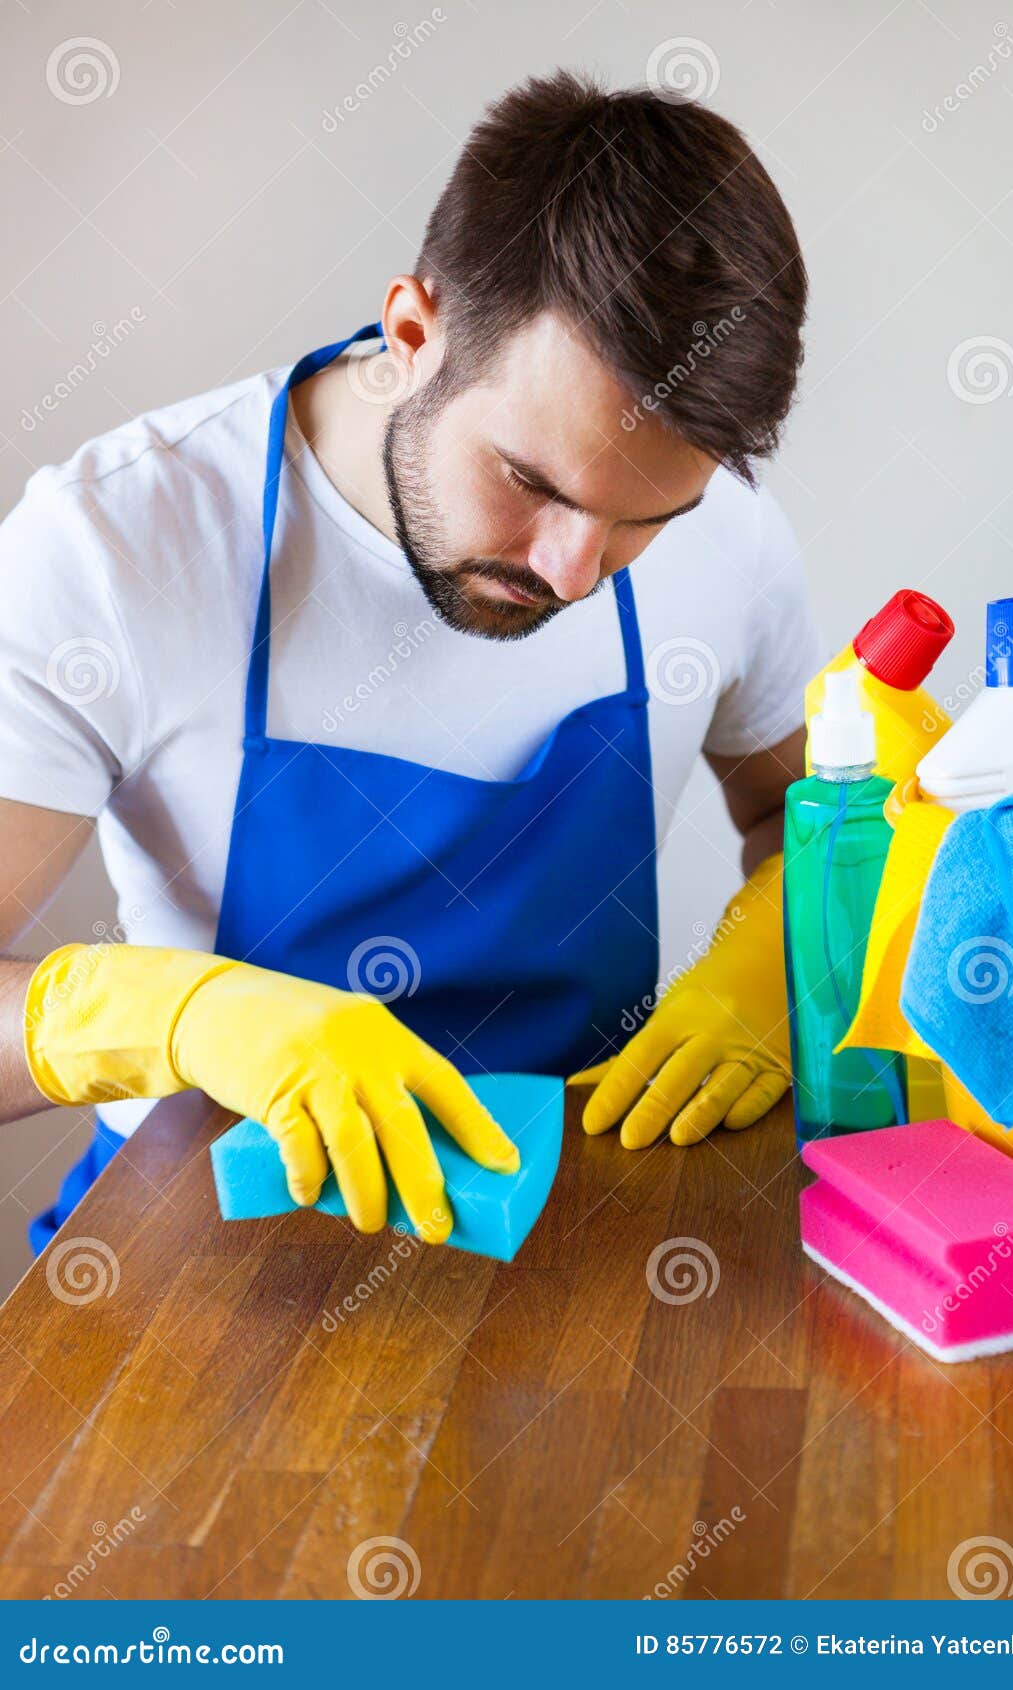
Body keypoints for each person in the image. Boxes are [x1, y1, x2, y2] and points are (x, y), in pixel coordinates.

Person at [0, 70, 819, 1252]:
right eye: (530, 481)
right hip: (199, 1255)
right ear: (412, 333)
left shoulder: (730, 537)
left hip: (568, 1227)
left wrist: (776, 957)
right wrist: (164, 1012)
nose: (574, 569)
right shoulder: (115, 545)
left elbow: (806, 821)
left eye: (646, 519)